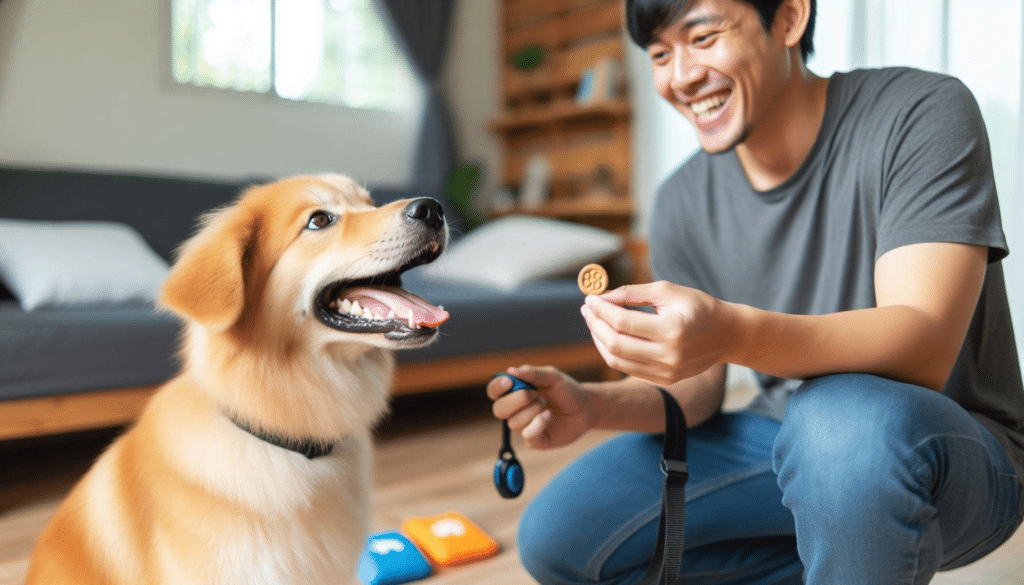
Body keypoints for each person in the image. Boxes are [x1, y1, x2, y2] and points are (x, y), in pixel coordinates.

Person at [486, 0, 1024, 583]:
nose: (682, 76)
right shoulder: (682, 199)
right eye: (660, 54)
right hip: (786, 438)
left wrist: (729, 331)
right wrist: (593, 405)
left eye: (705, 36)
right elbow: (698, 388)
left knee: (839, 423)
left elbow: (923, 345)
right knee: (559, 537)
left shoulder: (921, 112)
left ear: (790, 17)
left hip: (951, 449)